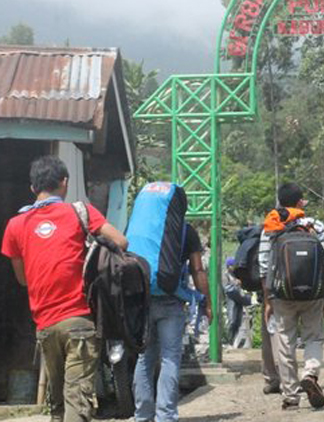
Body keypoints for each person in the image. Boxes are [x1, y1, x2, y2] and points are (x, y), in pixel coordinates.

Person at [1, 155, 128, 422]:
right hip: (79, 319)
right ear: (65, 183)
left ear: (33, 188)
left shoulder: (15, 226)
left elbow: (23, 280)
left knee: (57, 402)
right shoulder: (80, 212)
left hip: (45, 326)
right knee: (77, 400)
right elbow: (121, 241)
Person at [131, 216, 212, 422]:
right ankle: (165, 416)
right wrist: (206, 303)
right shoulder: (186, 231)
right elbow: (197, 269)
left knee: (145, 358)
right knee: (170, 358)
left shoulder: (143, 226)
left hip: (144, 300)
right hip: (172, 301)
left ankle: (142, 415)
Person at [259, 183, 324, 410]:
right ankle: (310, 373)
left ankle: (290, 395)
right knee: (314, 337)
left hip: (281, 294)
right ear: (300, 203)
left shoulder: (271, 227)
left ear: (280, 202)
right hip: (313, 294)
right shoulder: (315, 226)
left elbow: (264, 265)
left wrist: (268, 299)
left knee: (285, 341)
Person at [223, 257, 252, 345]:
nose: (233, 267)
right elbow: (227, 288)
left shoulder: (236, 274)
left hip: (238, 298)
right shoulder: (225, 275)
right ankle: (228, 339)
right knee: (232, 320)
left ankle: (233, 341)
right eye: (232, 266)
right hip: (231, 298)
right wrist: (236, 283)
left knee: (237, 321)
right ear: (228, 266)